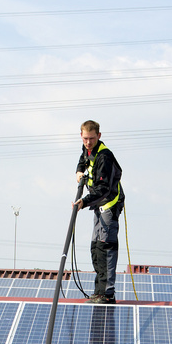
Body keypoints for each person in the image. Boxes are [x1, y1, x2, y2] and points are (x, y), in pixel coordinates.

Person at [73, 120, 123, 303]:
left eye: (92, 139)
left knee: (106, 247)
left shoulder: (105, 156)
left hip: (109, 205)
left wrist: (83, 202)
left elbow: (103, 188)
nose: (88, 142)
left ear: (99, 136)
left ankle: (107, 294)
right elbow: (82, 160)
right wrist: (79, 172)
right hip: (98, 206)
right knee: (96, 247)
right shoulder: (87, 149)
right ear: (81, 136)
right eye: (85, 138)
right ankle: (99, 291)